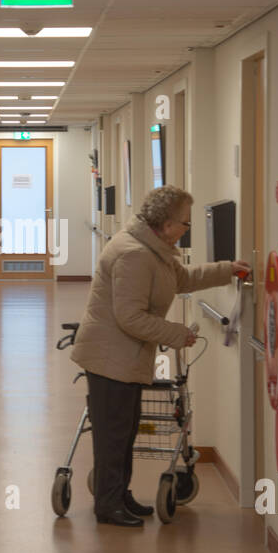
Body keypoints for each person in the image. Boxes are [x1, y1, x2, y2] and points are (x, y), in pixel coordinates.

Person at [71, 187, 250, 528]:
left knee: (123, 434)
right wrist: (177, 335)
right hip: (110, 359)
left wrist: (228, 269)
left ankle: (119, 496)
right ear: (166, 223)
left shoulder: (154, 250)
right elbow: (130, 317)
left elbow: (182, 279)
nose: (187, 228)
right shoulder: (134, 255)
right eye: (185, 222)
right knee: (112, 437)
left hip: (124, 358)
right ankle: (108, 507)